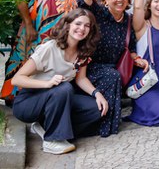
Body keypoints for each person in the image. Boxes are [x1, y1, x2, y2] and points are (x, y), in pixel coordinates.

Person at [11, 8, 106, 155]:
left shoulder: (83, 52)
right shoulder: (49, 48)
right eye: (78, 24)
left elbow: (81, 79)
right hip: (29, 102)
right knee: (65, 88)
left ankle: (45, 127)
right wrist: (47, 83)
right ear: (68, 25)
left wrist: (96, 93)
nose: (82, 29)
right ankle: (52, 140)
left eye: (87, 26)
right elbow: (17, 79)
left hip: (57, 98)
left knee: (95, 109)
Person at [78, 0, 148, 137]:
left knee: (117, 75)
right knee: (112, 76)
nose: (120, 0)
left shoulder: (127, 20)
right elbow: (83, 1)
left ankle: (108, 124)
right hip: (91, 66)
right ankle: (101, 125)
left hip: (113, 68)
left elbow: (130, 47)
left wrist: (137, 59)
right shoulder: (100, 14)